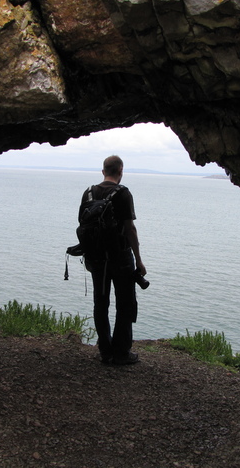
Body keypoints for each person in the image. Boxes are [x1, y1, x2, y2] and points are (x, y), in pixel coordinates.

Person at [81, 155, 146, 365]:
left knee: (100, 303)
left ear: (103, 171)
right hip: (120, 258)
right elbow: (130, 230)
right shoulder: (123, 193)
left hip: (97, 258)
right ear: (121, 170)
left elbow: (83, 225)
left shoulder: (88, 193)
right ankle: (121, 352)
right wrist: (139, 260)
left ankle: (105, 351)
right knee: (125, 304)